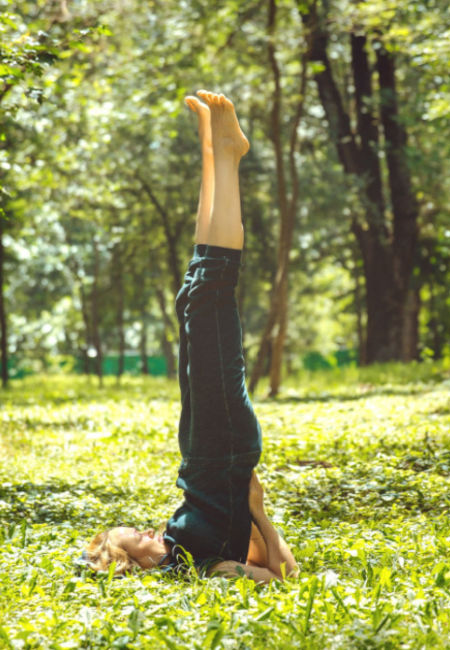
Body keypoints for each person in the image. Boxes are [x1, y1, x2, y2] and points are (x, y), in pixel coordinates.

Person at [81, 91, 298, 584]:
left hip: (199, 451)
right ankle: (225, 157)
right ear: (134, 563)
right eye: (139, 539)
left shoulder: (180, 543)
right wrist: (259, 511)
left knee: (191, 296)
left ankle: (217, 152)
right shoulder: (202, 566)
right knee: (208, 297)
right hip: (224, 446)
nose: (149, 532)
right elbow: (280, 576)